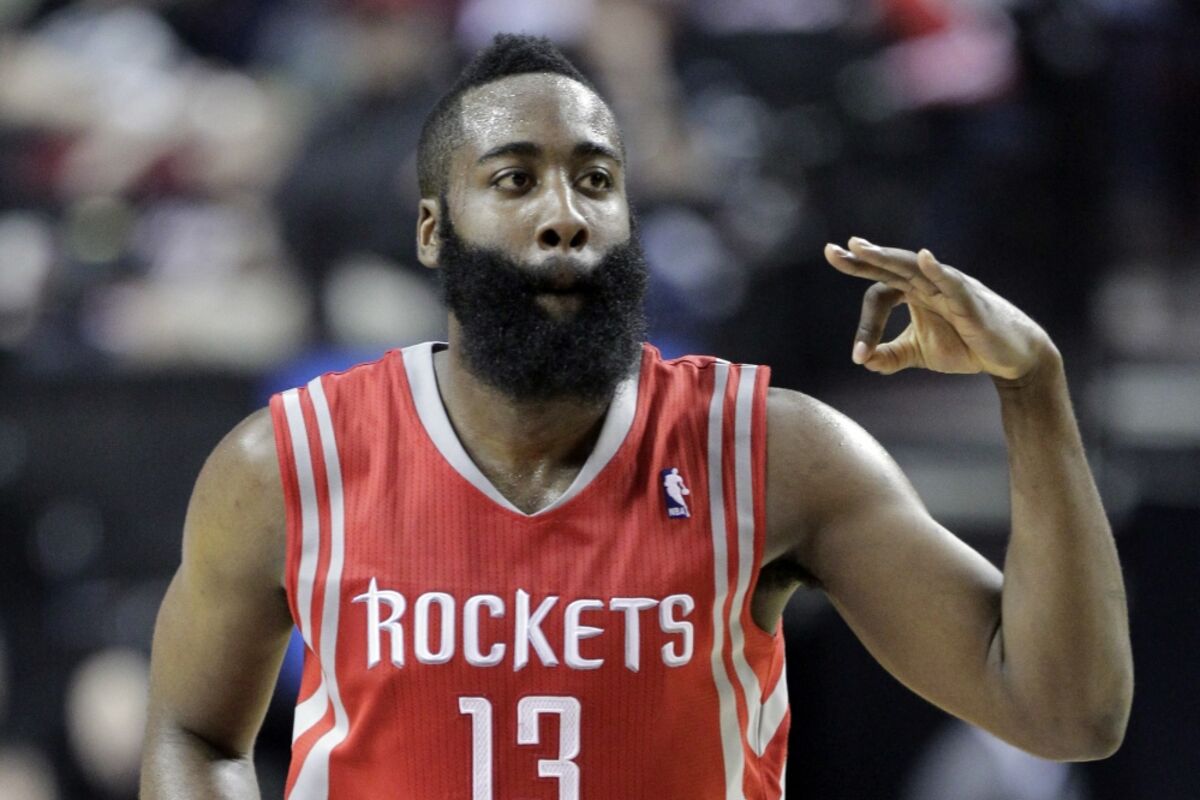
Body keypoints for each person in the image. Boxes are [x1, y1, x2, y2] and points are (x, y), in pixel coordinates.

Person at [139, 34, 1133, 800]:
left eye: (596, 180)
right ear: (434, 231)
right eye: (516, 179)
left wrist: (1032, 391)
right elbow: (193, 733)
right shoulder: (287, 462)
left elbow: (1063, 712)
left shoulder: (770, 452)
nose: (565, 213)